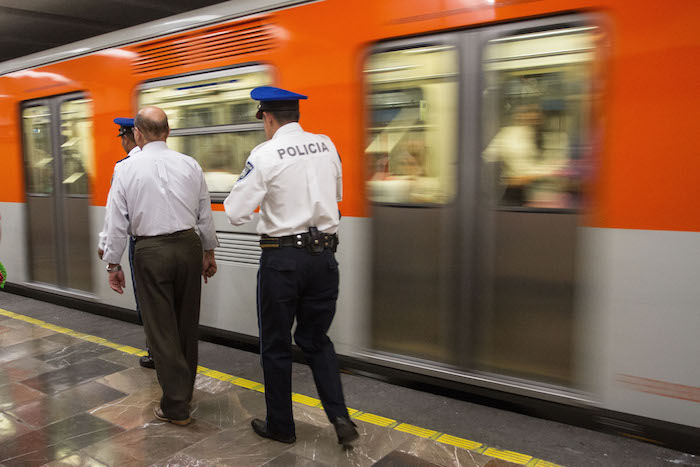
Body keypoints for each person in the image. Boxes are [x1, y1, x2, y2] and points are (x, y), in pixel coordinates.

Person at [224, 86, 359, 446]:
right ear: (296, 115)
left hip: (282, 261)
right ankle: (340, 417)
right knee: (316, 340)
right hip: (324, 258)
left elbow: (235, 211)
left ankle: (281, 426)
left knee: (276, 344)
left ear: (267, 118)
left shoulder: (265, 153)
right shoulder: (326, 145)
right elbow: (337, 195)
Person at [102, 106, 219, 426]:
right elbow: (204, 212)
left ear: (137, 134)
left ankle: (176, 405)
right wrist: (208, 251)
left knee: (160, 329)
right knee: (186, 325)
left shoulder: (126, 168)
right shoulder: (189, 164)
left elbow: (116, 220)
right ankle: (185, 393)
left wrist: (113, 263)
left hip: (151, 252)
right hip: (188, 246)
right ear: (167, 132)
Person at [97, 118, 155, 369]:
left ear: (129, 137)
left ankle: (155, 351)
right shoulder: (177, 161)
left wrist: (108, 250)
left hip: (142, 243)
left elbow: (115, 213)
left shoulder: (125, 167)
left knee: (147, 301)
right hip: (180, 242)